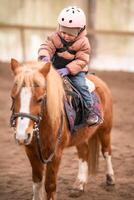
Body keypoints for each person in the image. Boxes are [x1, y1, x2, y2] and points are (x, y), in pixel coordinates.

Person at [38, 6, 99, 126]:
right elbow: (46, 46)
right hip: (54, 67)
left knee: (81, 86)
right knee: (38, 83)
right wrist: (44, 56)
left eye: (70, 34)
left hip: (75, 70)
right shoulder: (55, 37)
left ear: (80, 31)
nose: (65, 36)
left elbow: (82, 60)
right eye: (63, 32)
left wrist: (68, 69)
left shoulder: (84, 43)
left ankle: (90, 110)